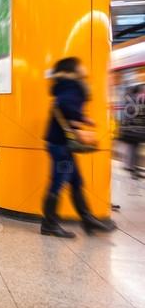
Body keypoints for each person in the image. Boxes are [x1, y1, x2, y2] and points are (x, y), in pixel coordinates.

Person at [40, 57, 112, 238]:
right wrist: (77, 121)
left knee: (76, 181)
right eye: (80, 64)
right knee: (58, 182)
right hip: (60, 145)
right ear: (73, 69)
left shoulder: (65, 85)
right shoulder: (71, 86)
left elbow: (64, 106)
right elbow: (65, 105)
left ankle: (87, 220)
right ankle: (49, 224)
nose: (83, 67)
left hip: (60, 143)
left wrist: (81, 119)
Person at [120, 84, 144, 179]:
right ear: (138, 91)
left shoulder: (132, 99)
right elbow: (132, 115)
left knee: (134, 149)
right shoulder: (133, 100)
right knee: (134, 150)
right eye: (142, 90)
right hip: (133, 130)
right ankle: (133, 170)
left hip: (134, 130)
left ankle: (132, 168)